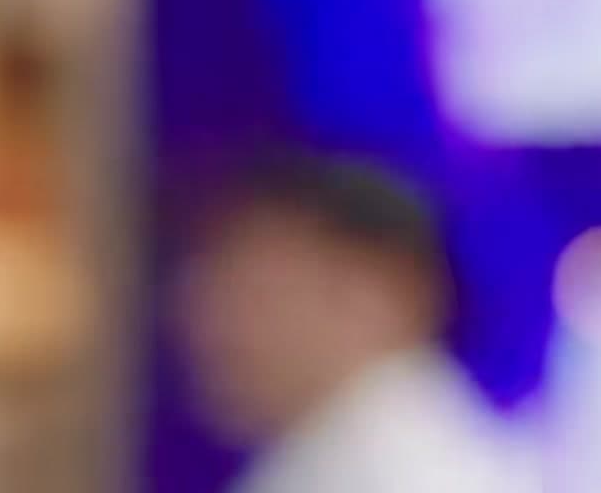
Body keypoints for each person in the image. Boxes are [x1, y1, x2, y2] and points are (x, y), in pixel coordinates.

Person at [169, 154, 533, 493]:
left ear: (376, 294)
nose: (206, 322)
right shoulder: (335, 452)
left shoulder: (400, 467)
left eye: (251, 290)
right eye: (204, 286)